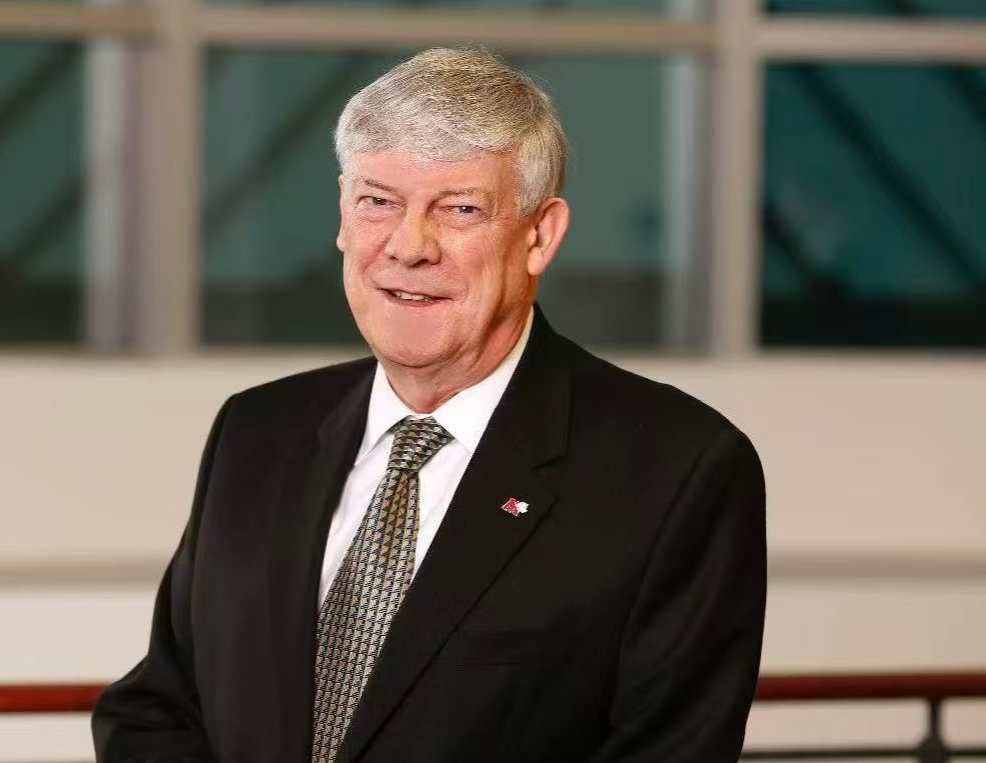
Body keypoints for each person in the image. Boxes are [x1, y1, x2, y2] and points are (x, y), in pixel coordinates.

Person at [92, 47, 766, 763]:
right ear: (344, 215)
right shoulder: (256, 431)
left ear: (539, 235)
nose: (410, 247)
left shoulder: (677, 470)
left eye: (460, 209)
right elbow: (159, 707)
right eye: (379, 202)